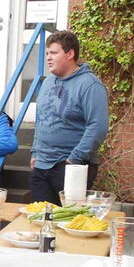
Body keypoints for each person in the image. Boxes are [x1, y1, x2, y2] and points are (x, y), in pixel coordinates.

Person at [31, 30, 109, 203]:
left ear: (70, 54)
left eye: (54, 53)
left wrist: (74, 158)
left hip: (71, 166)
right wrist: (35, 152)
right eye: (47, 53)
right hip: (41, 164)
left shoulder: (90, 85)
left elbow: (98, 126)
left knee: (67, 222)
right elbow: (42, 120)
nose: (48, 58)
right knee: (40, 219)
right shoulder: (48, 82)